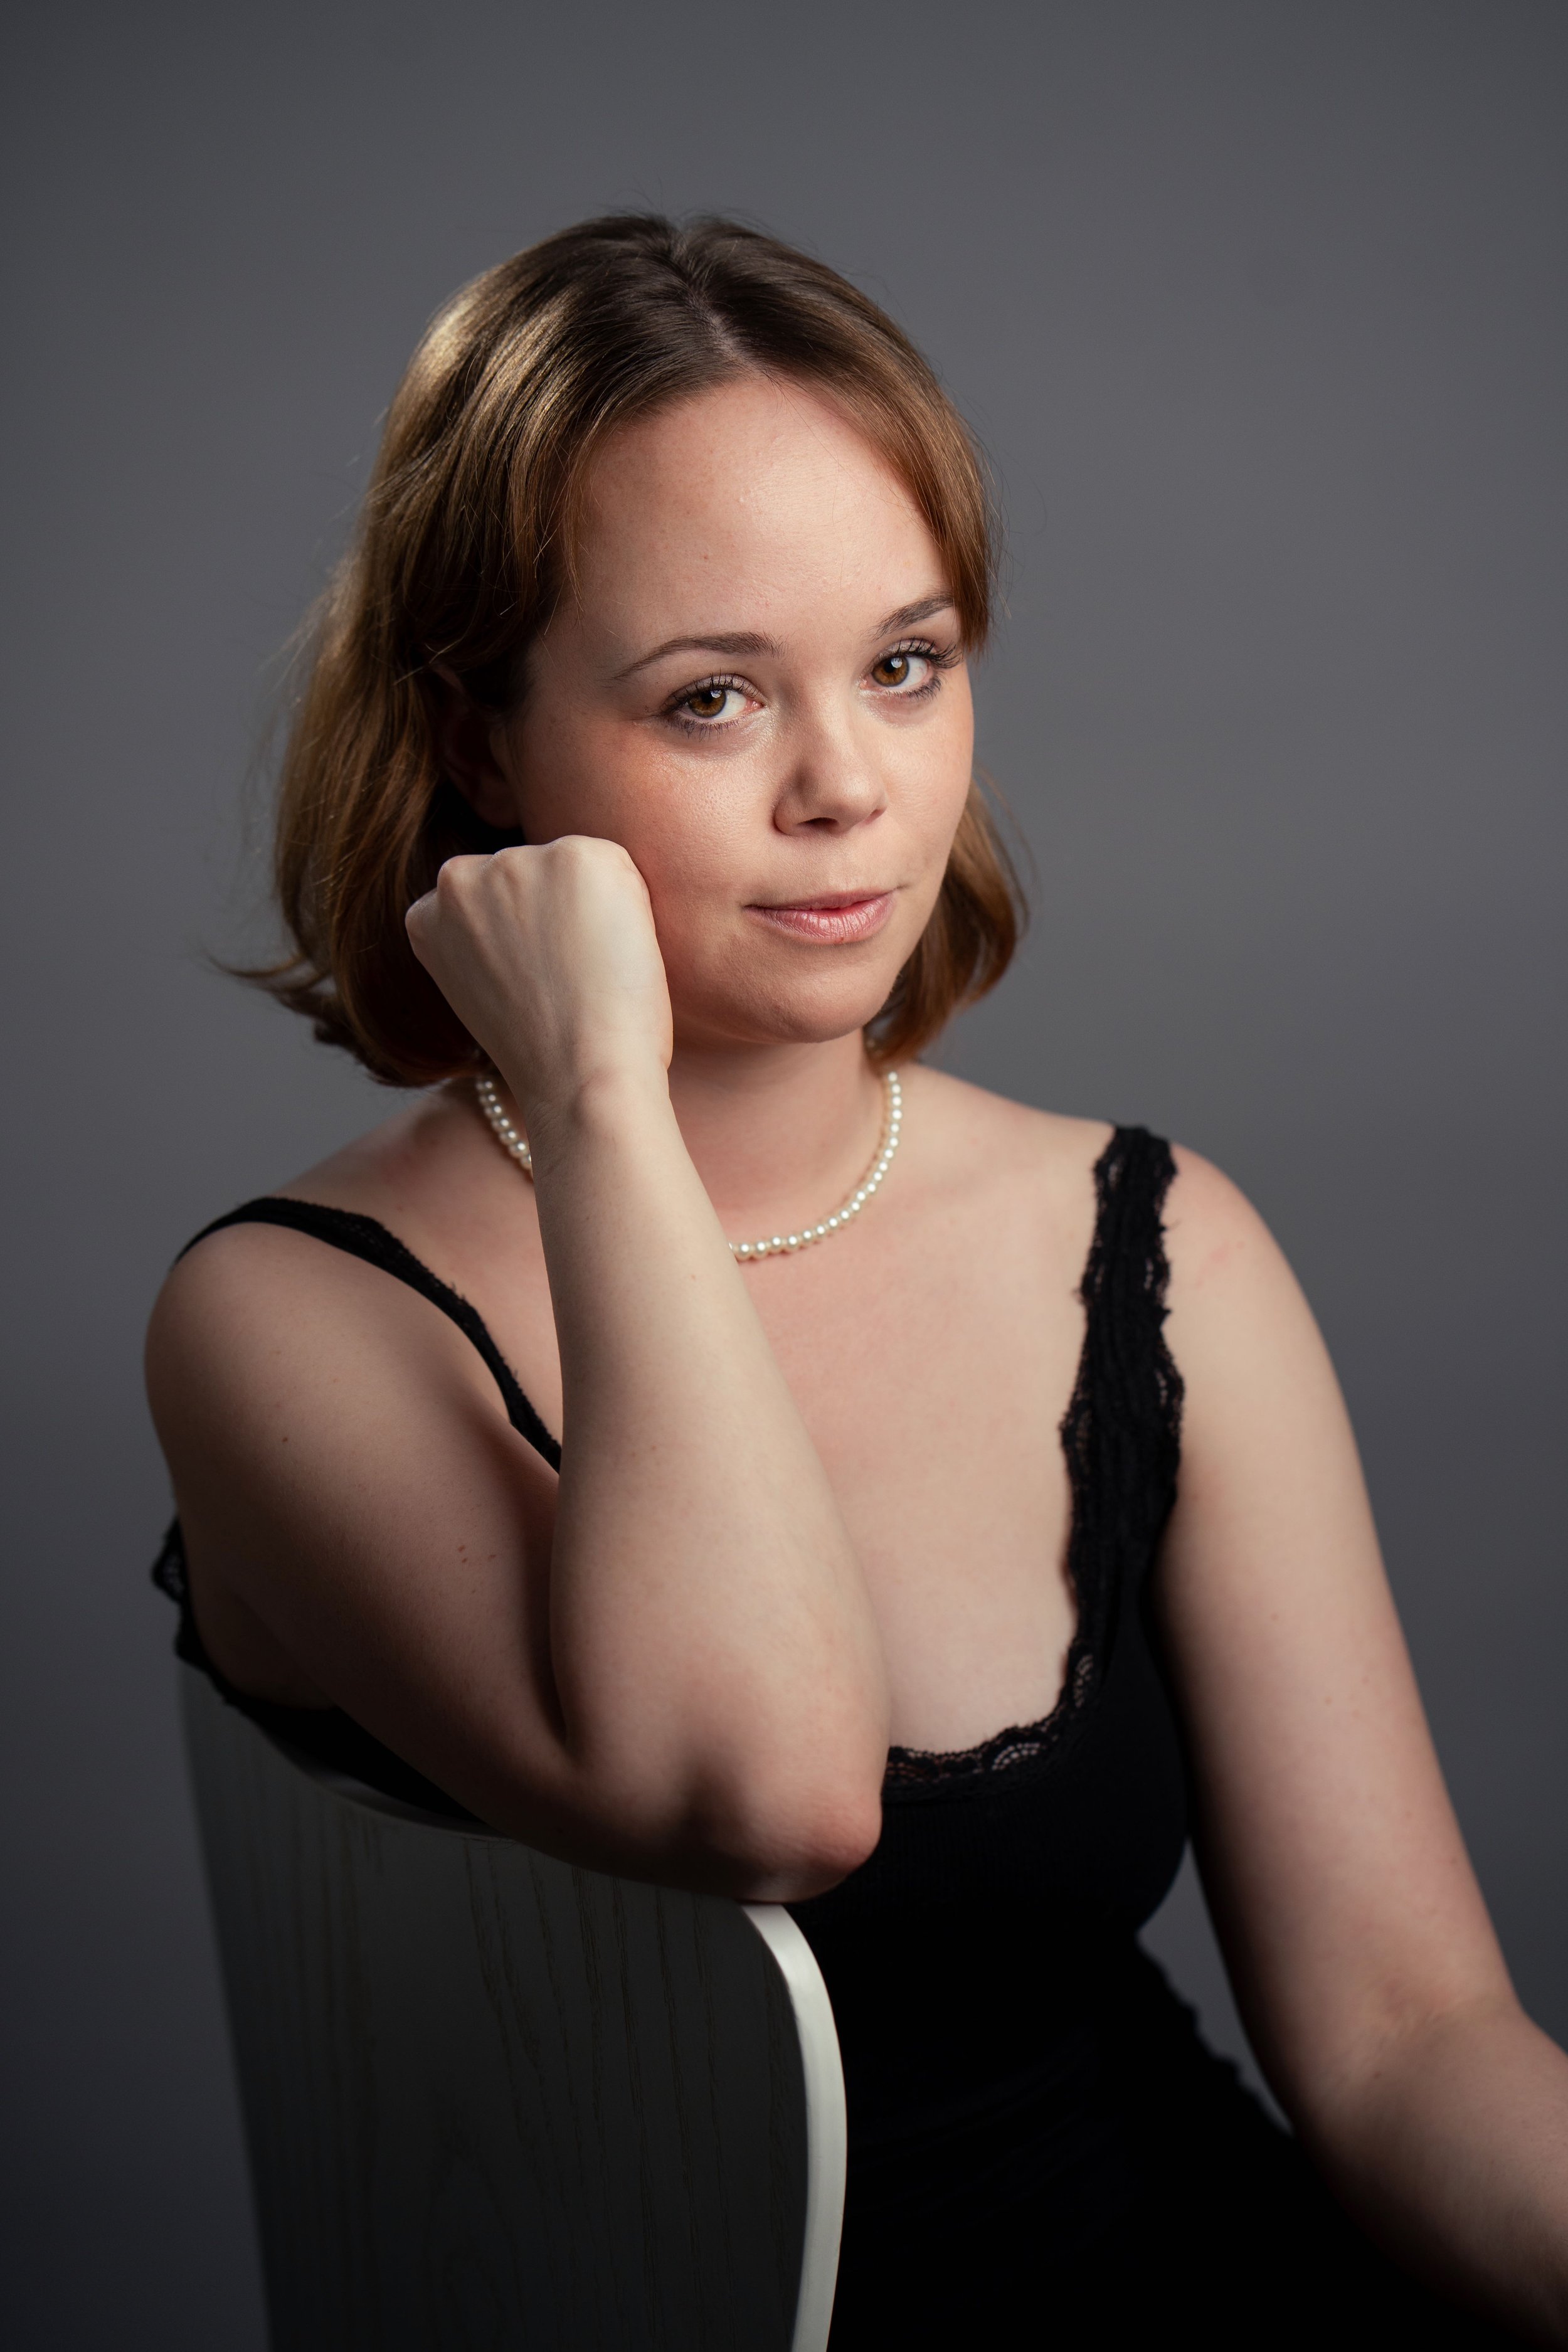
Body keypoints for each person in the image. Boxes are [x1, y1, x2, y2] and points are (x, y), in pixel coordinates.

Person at [146, 215, 1565, 2346]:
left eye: (905, 663)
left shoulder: (1153, 1247)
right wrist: (602, 1102)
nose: (848, 788)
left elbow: (1402, 2041)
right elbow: (770, 1790)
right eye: (710, 698)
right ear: (476, 737)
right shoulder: (286, 1321)